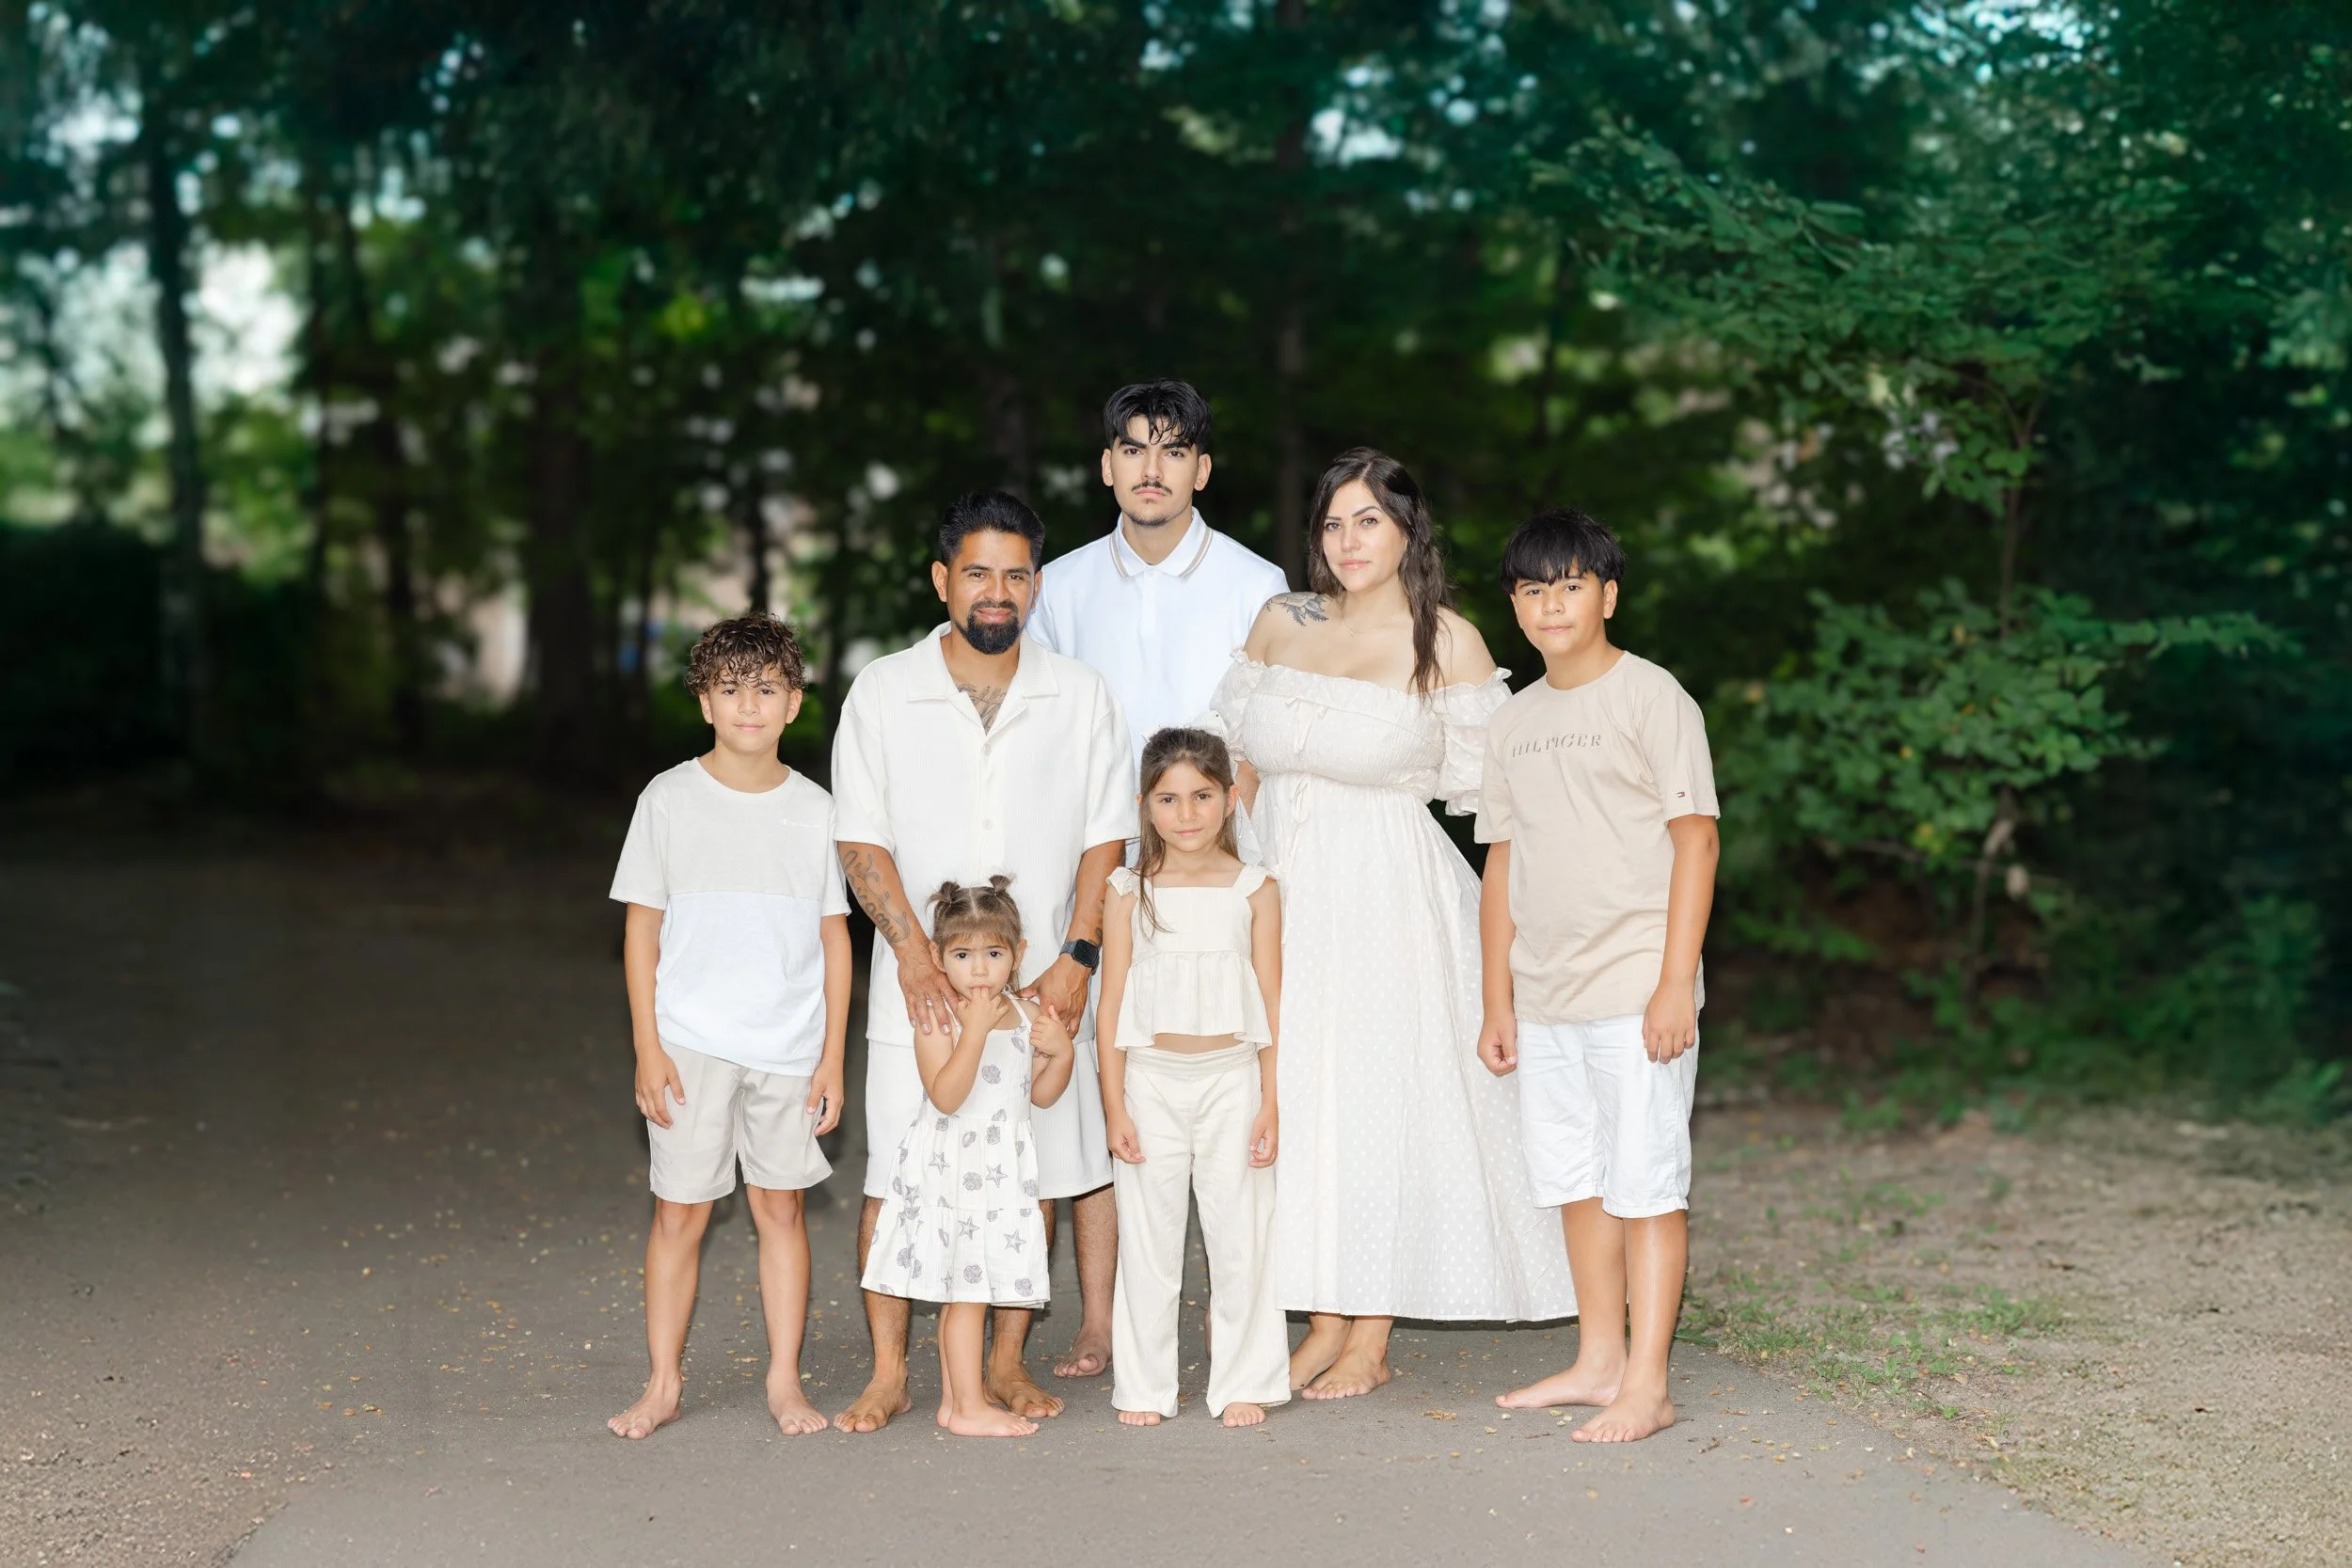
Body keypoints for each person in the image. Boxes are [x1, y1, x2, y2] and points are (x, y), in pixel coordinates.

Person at [1211, 448, 1578, 1400]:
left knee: (1375, 1095)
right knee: (1292, 1088)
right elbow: (1236, 765)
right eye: (1332, 523)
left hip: (1385, 891)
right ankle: (1320, 1312)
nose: (1347, 540)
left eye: (1367, 519)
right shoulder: (1279, 620)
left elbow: (1493, 798)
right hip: (1277, 879)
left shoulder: (1445, 638)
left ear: (1407, 528)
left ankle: (1366, 1332)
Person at [830, 489, 1133, 1433]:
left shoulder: (1080, 691)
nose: (995, 591)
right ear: (940, 579)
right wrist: (914, 959)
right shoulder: (883, 687)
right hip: (917, 995)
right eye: (976, 572)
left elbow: (1104, 836)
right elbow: (857, 837)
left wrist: (1078, 956)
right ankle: (888, 1370)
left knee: (1026, 1173)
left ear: (1035, 583)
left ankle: (1003, 1363)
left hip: (1039, 993)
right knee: (894, 1177)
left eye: (1013, 573)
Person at [1027, 380, 1283, 1381]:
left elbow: (1260, 733)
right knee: (1106, 1085)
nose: (1150, 467)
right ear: (1105, 466)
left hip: (1217, 873)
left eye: (1172, 450)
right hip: (1098, 870)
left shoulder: (1256, 583)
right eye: (1131, 448)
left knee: (1230, 1075)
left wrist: (1214, 852)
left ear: (1201, 470)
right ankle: (1103, 1319)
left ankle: (1233, 1325)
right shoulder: (1063, 585)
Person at [1477, 508, 1720, 1443]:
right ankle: (1597, 1358)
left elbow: (1694, 840)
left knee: (1647, 1182)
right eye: (1533, 589)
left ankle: (1648, 1384)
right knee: (1578, 1181)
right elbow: (1501, 860)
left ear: (1607, 595)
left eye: (1571, 584)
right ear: (1515, 606)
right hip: (1544, 993)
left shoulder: (1653, 698)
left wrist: (1673, 979)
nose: (1551, 604)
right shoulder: (1513, 720)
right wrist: (1498, 995)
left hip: (1634, 985)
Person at [604, 612, 853, 1442]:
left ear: (795, 704)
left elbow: (833, 937)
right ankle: (663, 1381)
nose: (750, 705)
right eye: (731, 689)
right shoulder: (669, 799)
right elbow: (641, 928)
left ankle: (785, 1379)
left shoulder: (818, 810)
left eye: (768, 689)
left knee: (778, 1207)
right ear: (705, 703)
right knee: (680, 1211)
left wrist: (831, 1059)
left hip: (787, 1045)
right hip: (689, 1041)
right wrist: (647, 1045)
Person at [1098, 727, 1288, 1429]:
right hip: (1149, 1081)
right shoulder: (1128, 890)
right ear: (1145, 806)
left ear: (1230, 798)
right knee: (1148, 1241)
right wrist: (1113, 1103)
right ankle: (1145, 1386)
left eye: (1202, 795)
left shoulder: (1255, 889)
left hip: (1232, 1078)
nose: (1187, 813)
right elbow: (1112, 1000)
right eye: (1169, 798)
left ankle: (1245, 1377)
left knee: (1241, 1236)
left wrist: (1271, 1099)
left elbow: (1271, 998)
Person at [862, 879, 1077, 1438]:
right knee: (968, 1293)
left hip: (1003, 1169)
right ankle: (967, 1407)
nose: (978, 970)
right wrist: (974, 1033)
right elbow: (947, 1094)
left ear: (1018, 953)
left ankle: (957, 1400)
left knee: (973, 1288)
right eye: (962, 955)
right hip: (952, 1169)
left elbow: (1041, 1094)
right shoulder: (939, 1019)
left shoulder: (1027, 1015)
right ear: (938, 957)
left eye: (993, 954)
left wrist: (1062, 1053)